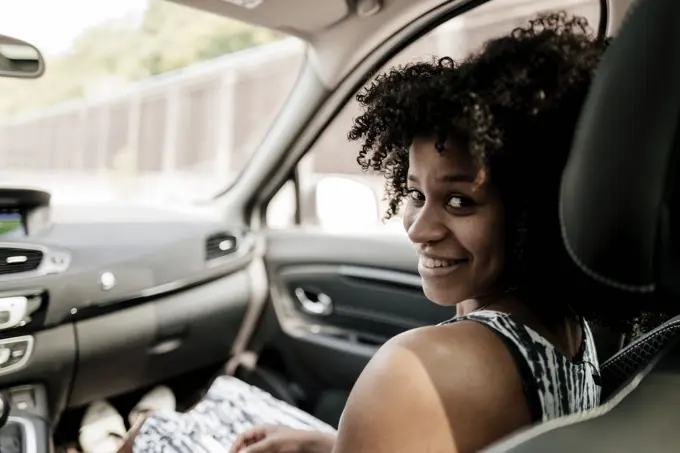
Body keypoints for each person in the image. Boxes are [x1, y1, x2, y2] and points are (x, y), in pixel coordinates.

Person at [79, 11, 619, 453]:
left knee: (152, 438)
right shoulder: (574, 332)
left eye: (460, 201)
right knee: (223, 402)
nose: (419, 229)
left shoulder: (419, 368)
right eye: (415, 194)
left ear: (534, 210)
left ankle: (112, 433)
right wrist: (332, 445)